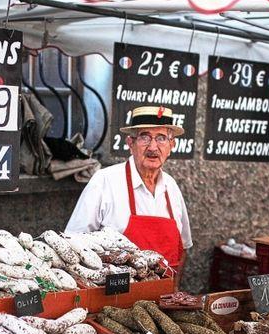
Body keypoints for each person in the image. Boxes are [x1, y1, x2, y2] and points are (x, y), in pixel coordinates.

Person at [65, 105, 192, 274]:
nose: (153, 147)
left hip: (165, 296)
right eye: (145, 137)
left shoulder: (172, 187)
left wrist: (174, 288)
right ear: (130, 143)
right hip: (116, 297)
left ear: (171, 145)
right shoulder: (104, 181)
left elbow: (183, 248)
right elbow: (73, 243)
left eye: (161, 138)